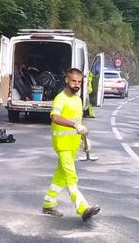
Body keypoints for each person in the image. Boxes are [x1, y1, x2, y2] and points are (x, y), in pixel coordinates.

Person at [42, 68, 101, 221]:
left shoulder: (78, 100)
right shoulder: (60, 98)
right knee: (71, 176)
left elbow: (79, 123)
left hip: (73, 144)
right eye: (73, 81)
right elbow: (55, 117)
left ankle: (48, 204)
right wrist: (74, 126)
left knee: (60, 176)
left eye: (79, 82)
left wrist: (85, 141)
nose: (76, 84)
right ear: (67, 80)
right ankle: (82, 208)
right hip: (62, 144)